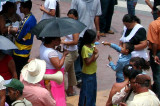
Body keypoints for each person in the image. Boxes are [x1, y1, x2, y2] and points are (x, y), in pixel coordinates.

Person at [71, 0, 102, 84]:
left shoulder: (96, 1)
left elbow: (96, 16)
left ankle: (84, 73)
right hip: (78, 33)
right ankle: (78, 76)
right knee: (77, 56)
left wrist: (98, 30)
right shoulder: (76, 1)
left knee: (86, 55)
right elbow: (72, 15)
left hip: (88, 34)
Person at [40, 37, 68, 106]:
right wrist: (64, 55)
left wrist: (55, 50)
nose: (60, 40)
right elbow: (58, 66)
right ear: (53, 41)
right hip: (54, 78)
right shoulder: (51, 53)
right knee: (57, 96)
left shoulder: (43, 45)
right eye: (58, 39)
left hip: (47, 74)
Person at [12, 0, 37, 79]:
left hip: (19, 51)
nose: (19, 8)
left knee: (18, 71)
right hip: (27, 49)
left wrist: (12, 30)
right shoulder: (32, 18)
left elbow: (18, 36)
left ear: (25, 8)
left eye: (21, 7)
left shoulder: (25, 21)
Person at [61, 9, 79, 96]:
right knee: (71, 71)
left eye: (72, 18)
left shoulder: (75, 27)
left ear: (76, 18)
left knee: (62, 70)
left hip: (71, 52)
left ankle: (61, 90)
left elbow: (75, 41)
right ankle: (70, 89)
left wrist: (65, 42)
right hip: (67, 51)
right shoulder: (69, 26)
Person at [78, 29, 99, 106]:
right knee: (87, 93)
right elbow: (87, 62)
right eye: (94, 38)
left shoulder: (92, 46)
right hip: (87, 74)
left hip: (93, 72)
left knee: (93, 91)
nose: (95, 39)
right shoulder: (84, 48)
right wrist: (94, 55)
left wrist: (95, 55)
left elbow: (96, 56)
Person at [147, 5, 160, 100]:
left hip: (157, 52)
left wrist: (154, 55)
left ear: (158, 12)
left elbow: (154, 42)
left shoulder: (155, 24)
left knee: (157, 75)